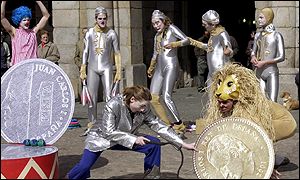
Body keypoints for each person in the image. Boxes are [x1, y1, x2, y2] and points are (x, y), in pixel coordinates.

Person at [65, 85, 196, 179]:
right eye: (142, 106)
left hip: (125, 138)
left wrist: (184, 144)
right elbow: (108, 131)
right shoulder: (113, 104)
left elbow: (159, 126)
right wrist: (134, 139)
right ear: (132, 100)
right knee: (83, 168)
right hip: (100, 138)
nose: (144, 109)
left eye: (146, 106)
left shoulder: (144, 108)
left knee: (153, 144)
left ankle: (152, 176)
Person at [199, 63, 297, 179]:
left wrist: (267, 165)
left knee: (253, 133)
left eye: (225, 102)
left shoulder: (249, 112)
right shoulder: (220, 110)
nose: (221, 105)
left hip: (285, 122)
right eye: (219, 102)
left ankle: (273, 158)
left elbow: (258, 138)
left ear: (235, 101)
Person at [147, 10, 190, 136]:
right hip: (159, 68)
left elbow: (186, 40)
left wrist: (175, 44)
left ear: (163, 20)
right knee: (153, 97)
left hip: (171, 65)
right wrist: (151, 67)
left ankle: (179, 125)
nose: (156, 26)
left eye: (158, 22)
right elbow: (155, 53)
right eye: (154, 24)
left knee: (166, 97)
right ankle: (167, 125)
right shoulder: (156, 36)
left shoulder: (171, 29)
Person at [79, 6, 122, 123]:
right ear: (96, 19)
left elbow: (117, 53)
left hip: (106, 68)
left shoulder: (112, 33)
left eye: (104, 18)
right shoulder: (90, 33)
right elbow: (85, 51)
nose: (102, 21)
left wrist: (118, 70)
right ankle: (91, 124)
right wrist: (83, 69)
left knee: (109, 96)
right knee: (92, 98)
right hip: (92, 68)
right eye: (99, 18)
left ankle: (110, 122)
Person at [188, 10, 233, 87]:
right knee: (211, 97)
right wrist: (192, 42)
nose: (203, 25)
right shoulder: (212, 35)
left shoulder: (222, 33)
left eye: (205, 24)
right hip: (211, 73)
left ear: (212, 24)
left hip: (221, 73)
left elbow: (228, 48)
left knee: (221, 97)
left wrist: (228, 50)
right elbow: (209, 47)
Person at [250, 7, 285, 102]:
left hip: (271, 72)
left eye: (261, 17)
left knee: (273, 102)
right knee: (260, 102)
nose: (259, 20)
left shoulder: (276, 35)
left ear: (268, 18)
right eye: (259, 17)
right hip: (259, 73)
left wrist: (265, 62)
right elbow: (253, 51)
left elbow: (282, 57)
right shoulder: (257, 35)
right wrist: (253, 57)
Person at [1, 1, 50, 66]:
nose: (27, 22)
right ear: (18, 21)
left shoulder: (33, 32)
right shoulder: (14, 32)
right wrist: (4, 2)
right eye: (24, 20)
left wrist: (38, 1)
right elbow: (2, 17)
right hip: (18, 69)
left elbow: (46, 16)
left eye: (28, 20)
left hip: (32, 68)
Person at [74, 27, 88, 102]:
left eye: (87, 32)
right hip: (82, 66)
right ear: (82, 34)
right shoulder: (79, 43)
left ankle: (91, 98)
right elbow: (76, 56)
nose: (86, 34)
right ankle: (82, 98)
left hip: (91, 66)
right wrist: (79, 64)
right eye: (84, 32)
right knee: (82, 82)